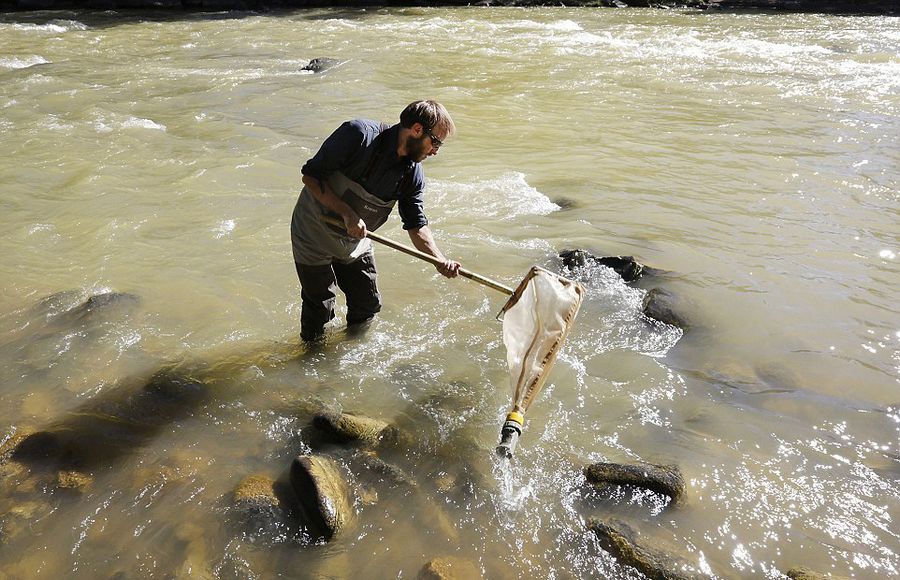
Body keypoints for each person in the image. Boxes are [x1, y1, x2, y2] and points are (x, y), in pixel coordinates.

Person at [290, 100, 461, 343]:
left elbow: (416, 225)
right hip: (312, 232)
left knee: (367, 305)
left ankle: (348, 360)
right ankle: (312, 366)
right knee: (320, 310)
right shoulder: (358, 135)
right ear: (417, 129)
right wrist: (347, 212)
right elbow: (311, 176)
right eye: (436, 142)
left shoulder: (412, 175)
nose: (436, 151)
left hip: (355, 241)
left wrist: (439, 259)